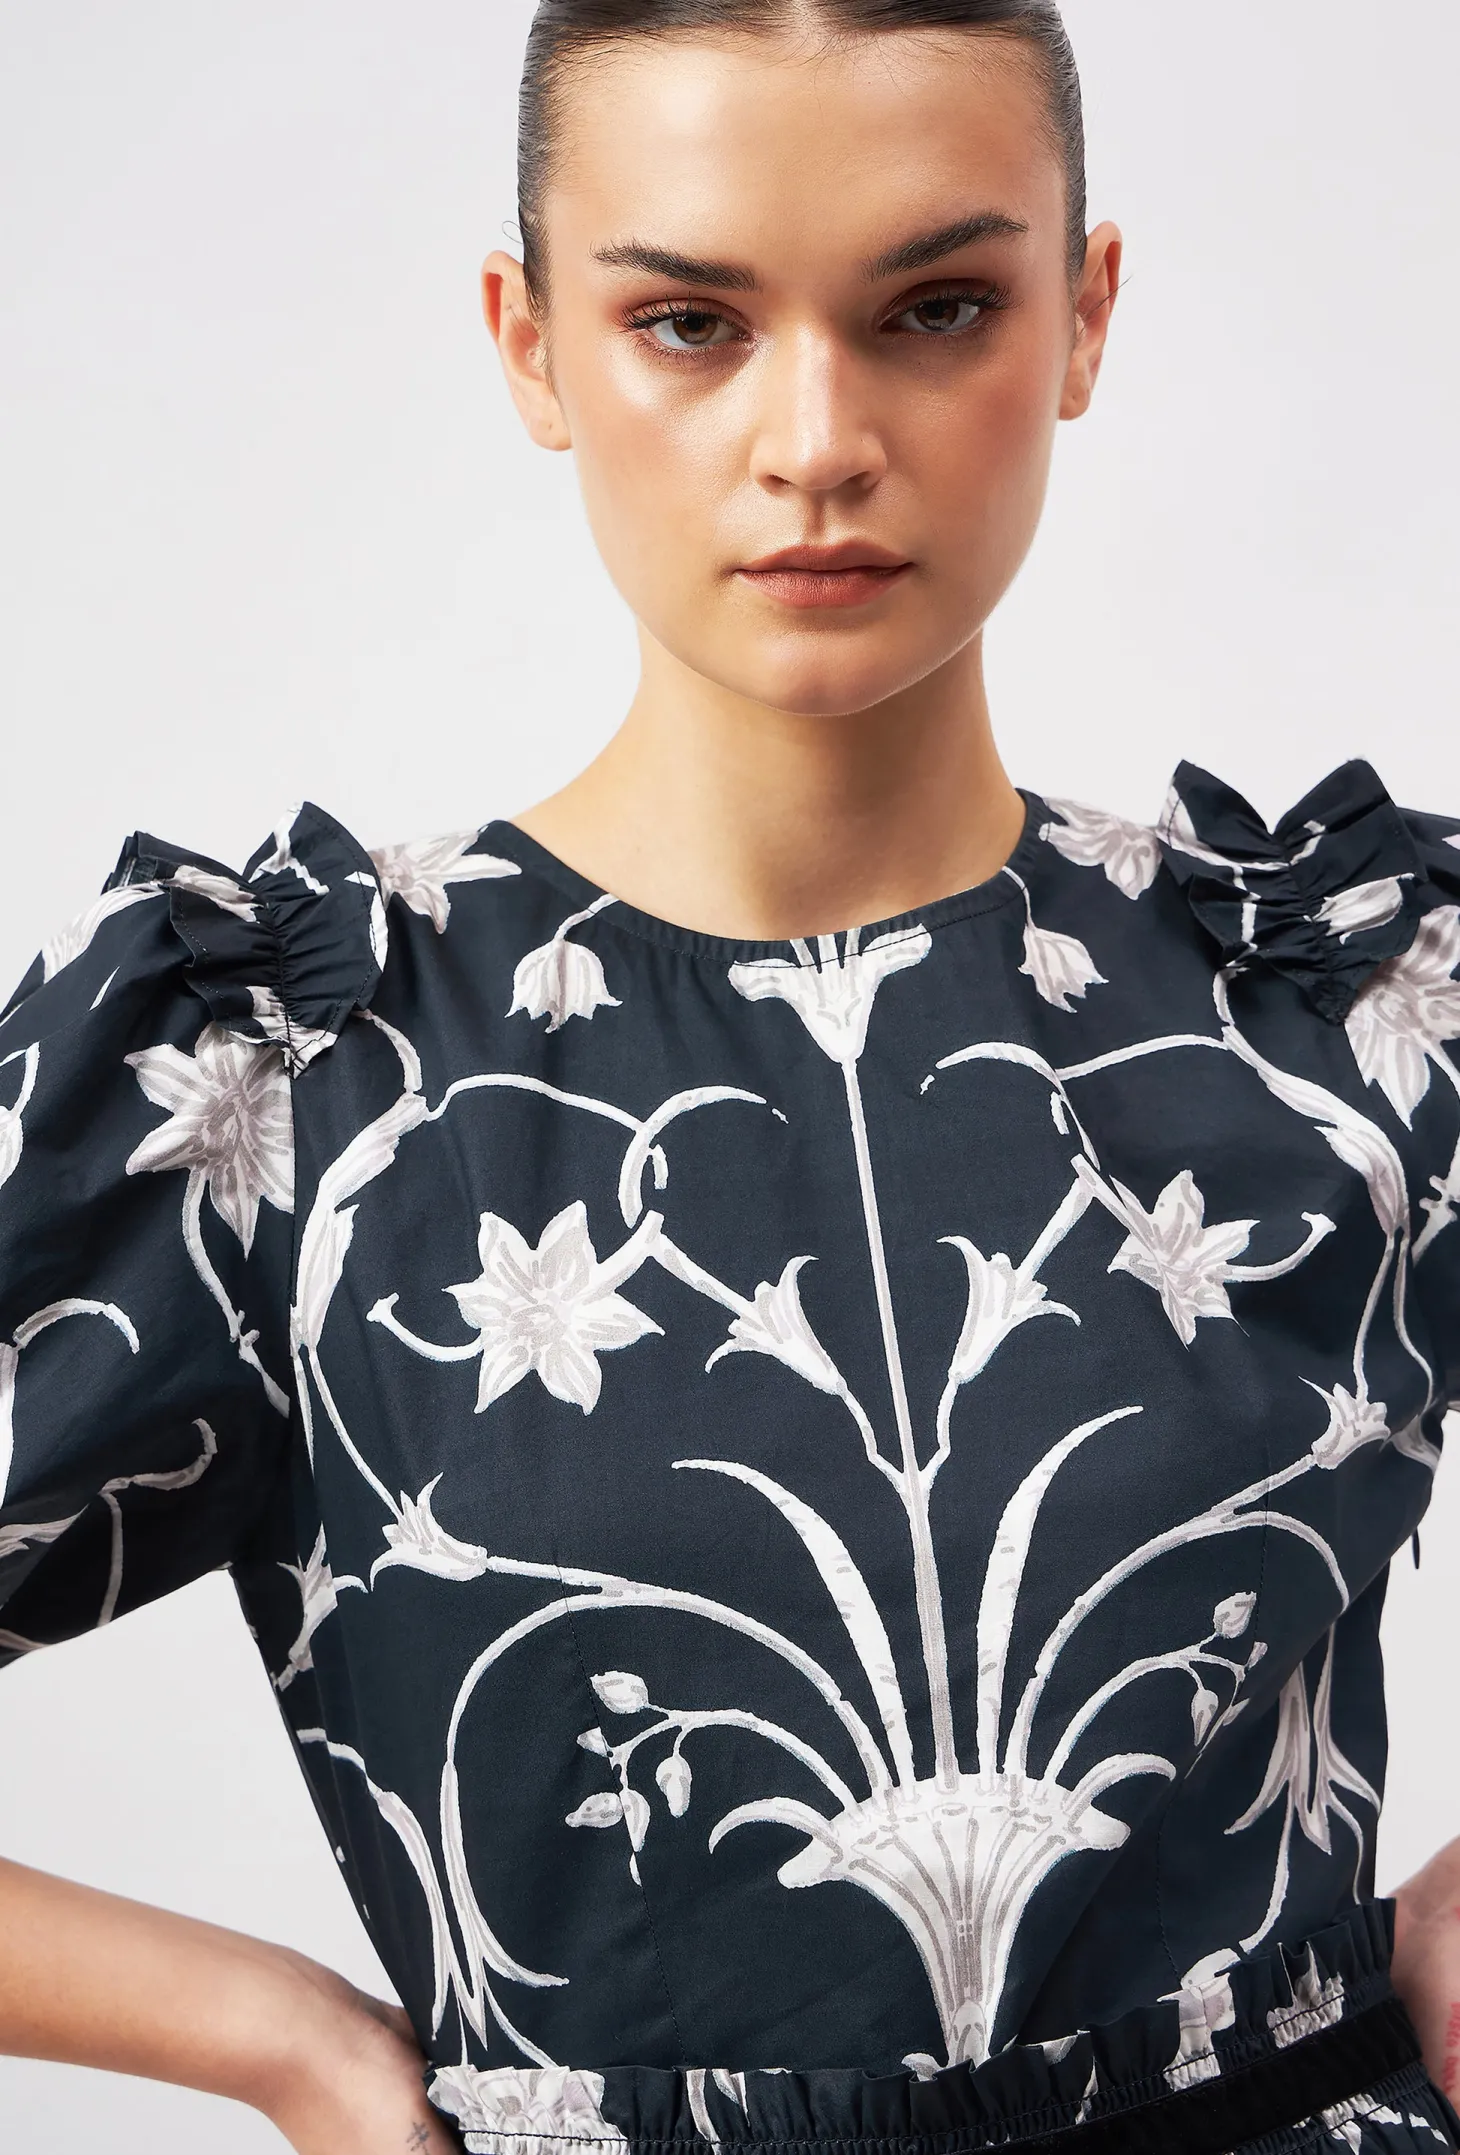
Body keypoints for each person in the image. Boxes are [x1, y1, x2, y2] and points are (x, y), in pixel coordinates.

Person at [2, 2, 1459, 2149]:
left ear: (1083, 314)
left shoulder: (1332, 1006)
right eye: (689, 323)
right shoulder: (286, 1083)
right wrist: (272, 2036)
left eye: (934, 308)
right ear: (529, 344)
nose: (816, 441)